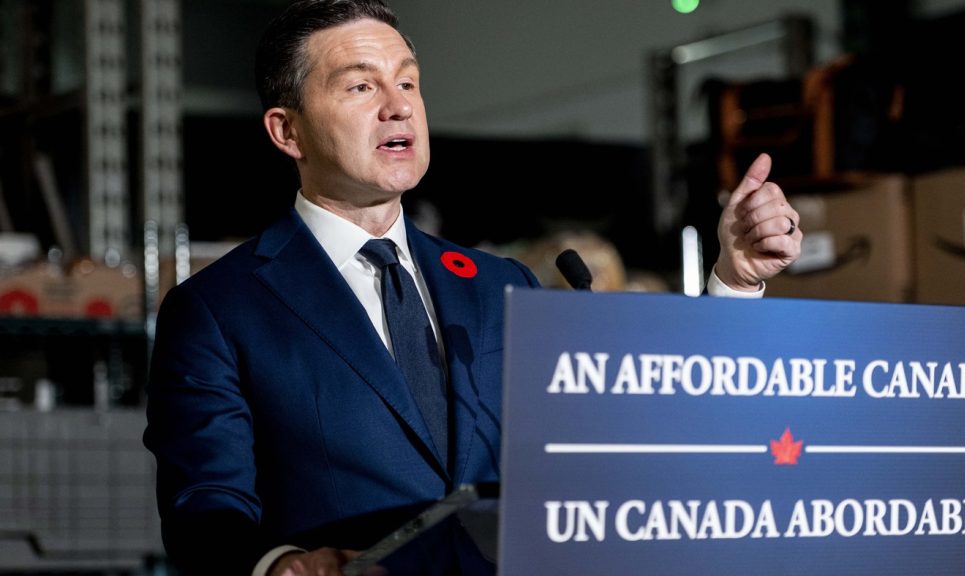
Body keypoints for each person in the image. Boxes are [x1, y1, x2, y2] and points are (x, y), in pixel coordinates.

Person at [142, 1, 802, 575]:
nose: (398, 104)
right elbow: (205, 505)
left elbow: (620, 441)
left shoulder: (499, 286)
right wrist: (277, 565)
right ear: (287, 131)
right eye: (361, 88)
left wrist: (734, 282)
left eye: (407, 82)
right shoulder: (219, 310)